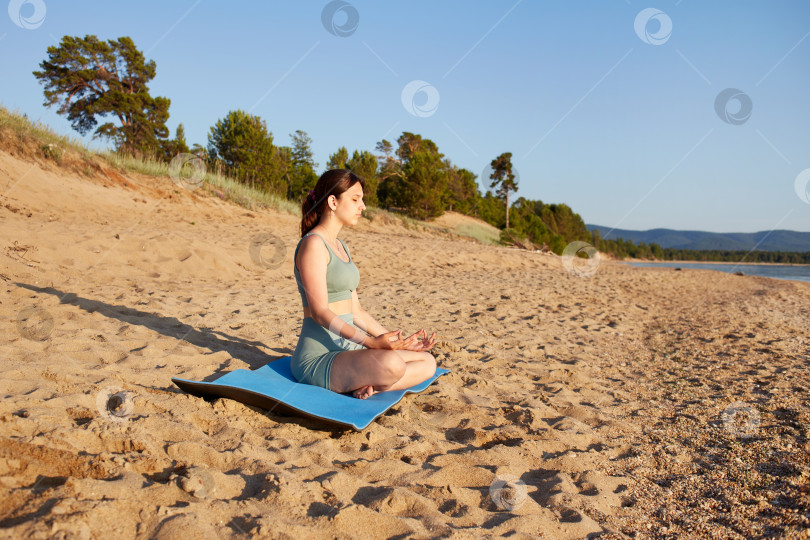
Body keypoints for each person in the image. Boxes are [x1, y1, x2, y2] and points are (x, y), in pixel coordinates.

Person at [291, 169, 438, 399]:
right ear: (332, 201)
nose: (363, 206)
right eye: (355, 199)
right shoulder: (313, 245)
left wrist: (398, 343)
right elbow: (320, 312)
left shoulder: (341, 246)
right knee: (394, 365)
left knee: (427, 362)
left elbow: (356, 311)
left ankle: (372, 386)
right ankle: (370, 381)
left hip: (348, 349)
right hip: (320, 357)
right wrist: (370, 342)